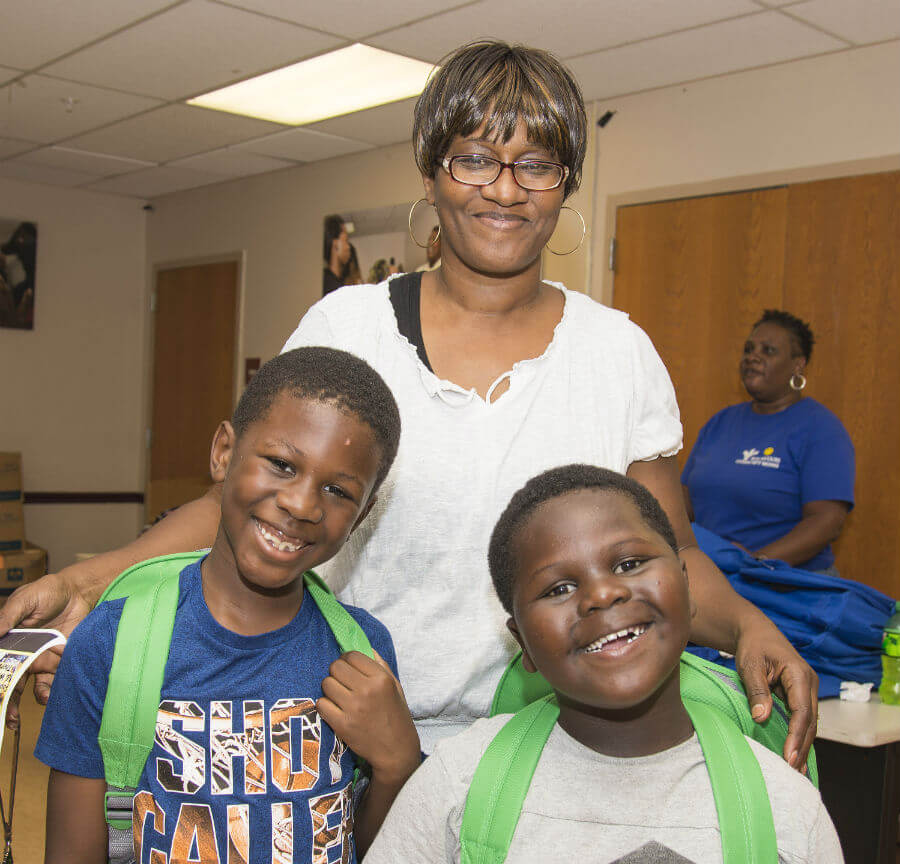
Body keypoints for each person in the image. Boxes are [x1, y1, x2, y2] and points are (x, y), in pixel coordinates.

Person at [1, 41, 817, 767]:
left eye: (536, 164)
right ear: (431, 171)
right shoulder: (347, 329)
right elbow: (243, 507)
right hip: (341, 736)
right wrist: (92, 577)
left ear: (565, 184)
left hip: (542, 753)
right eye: (476, 159)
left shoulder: (619, 354)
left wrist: (751, 624)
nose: (506, 189)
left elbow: (671, 554)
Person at [332, 465, 879, 864]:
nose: (600, 595)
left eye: (629, 563)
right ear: (522, 642)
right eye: (558, 588)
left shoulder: (780, 803)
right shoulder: (460, 779)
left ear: (688, 587)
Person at [35, 348, 420, 864]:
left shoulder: (363, 653)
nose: (302, 504)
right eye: (281, 464)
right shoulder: (115, 645)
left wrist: (399, 766)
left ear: (363, 513)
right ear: (223, 452)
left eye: (339, 490)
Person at [682, 310, 854, 572]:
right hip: (713, 575)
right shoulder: (720, 423)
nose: (753, 356)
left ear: (798, 365)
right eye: (749, 349)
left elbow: (827, 521)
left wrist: (755, 563)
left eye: (768, 350)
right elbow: (684, 503)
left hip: (785, 582)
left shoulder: (821, 429)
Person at [322, 214, 351, 296]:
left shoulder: (334, 282)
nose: (348, 247)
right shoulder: (330, 287)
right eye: (346, 241)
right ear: (335, 243)